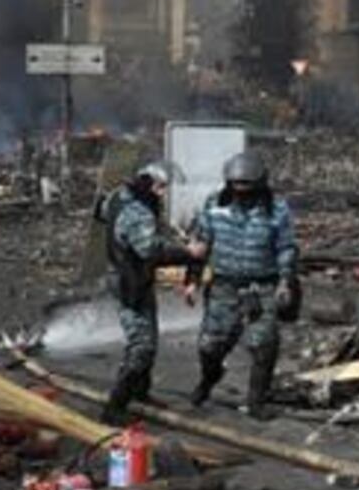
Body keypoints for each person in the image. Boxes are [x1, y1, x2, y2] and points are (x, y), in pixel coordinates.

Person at [186, 150, 299, 419]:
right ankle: (209, 378)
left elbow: (286, 248)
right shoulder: (214, 205)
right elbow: (200, 244)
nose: (241, 191)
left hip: (263, 287)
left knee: (263, 344)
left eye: (247, 186)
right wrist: (191, 280)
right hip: (224, 286)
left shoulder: (277, 210)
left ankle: (256, 401)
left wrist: (285, 281)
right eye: (236, 185)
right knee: (210, 345)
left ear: (259, 184)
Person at [94, 160, 203, 425]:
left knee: (149, 338)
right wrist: (188, 252)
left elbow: (100, 211)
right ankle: (114, 408)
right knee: (141, 346)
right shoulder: (138, 211)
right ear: (145, 181)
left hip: (130, 277)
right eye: (160, 187)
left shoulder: (119, 196)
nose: (163, 193)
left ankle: (140, 395)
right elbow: (150, 251)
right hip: (129, 281)